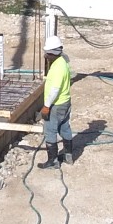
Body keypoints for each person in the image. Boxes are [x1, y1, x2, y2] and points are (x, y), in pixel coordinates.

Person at [39, 35, 74, 169]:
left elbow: (55, 89)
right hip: (65, 102)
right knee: (65, 127)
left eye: (47, 54)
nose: (46, 56)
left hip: (56, 105)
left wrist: (47, 106)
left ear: (53, 53)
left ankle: (53, 161)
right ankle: (68, 156)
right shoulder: (63, 62)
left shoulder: (58, 68)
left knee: (50, 131)